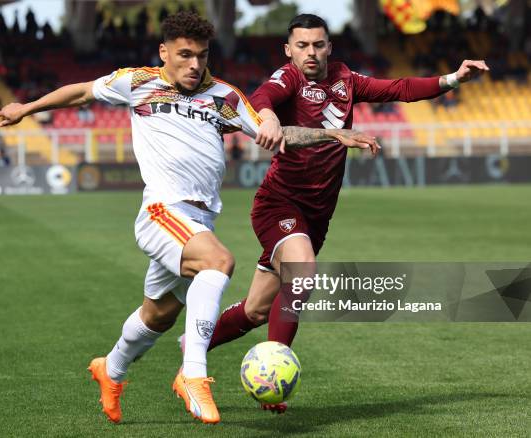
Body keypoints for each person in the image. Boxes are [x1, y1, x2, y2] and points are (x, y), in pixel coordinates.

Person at [0, 11, 377, 425]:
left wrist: (331, 134)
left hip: (198, 222)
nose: (195, 65)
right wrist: (27, 108)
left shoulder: (223, 97)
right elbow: (82, 92)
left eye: (202, 55)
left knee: (158, 315)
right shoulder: (138, 82)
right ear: (165, 52)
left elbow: (278, 134)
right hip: (162, 211)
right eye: (185, 55)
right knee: (219, 262)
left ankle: (112, 367)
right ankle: (193, 375)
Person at [197, 13, 489, 414]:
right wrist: (265, 116)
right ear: (289, 50)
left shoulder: (346, 80)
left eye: (318, 44)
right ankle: (272, 370)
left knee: (257, 310)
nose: (311, 52)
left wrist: (452, 79)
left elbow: (399, 88)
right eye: (302, 45)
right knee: (302, 274)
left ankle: (190, 347)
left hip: (316, 217)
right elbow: (262, 96)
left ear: (329, 47)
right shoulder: (289, 79)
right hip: (279, 204)